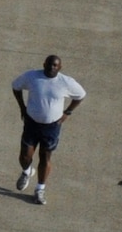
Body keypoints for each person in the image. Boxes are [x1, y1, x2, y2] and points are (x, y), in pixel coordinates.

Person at [11, 55, 86, 204]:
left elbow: (81, 95)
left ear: (60, 67)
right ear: (44, 64)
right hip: (31, 123)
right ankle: (27, 172)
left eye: (55, 66)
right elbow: (16, 86)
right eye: (50, 64)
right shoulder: (32, 76)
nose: (52, 68)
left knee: (45, 157)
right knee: (25, 156)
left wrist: (67, 112)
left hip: (51, 127)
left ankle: (40, 189)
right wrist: (22, 107)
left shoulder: (66, 82)